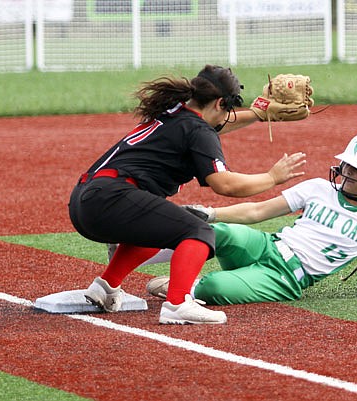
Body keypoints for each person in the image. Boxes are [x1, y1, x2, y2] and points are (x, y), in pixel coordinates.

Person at [68, 65, 307, 324]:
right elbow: (224, 185)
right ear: (219, 103)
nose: (227, 116)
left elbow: (209, 126)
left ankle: (105, 288)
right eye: (227, 109)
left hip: (86, 202)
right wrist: (272, 177)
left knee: (157, 229)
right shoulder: (198, 130)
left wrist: (258, 114)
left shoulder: (174, 112)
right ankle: (178, 303)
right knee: (198, 231)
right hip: (113, 200)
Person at [146, 132, 357, 305]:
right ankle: (143, 249)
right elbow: (260, 210)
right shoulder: (319, 187)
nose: (345, 171)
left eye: (356, 170)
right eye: (346, 165)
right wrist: (210, 212)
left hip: (287, 279)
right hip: (268, 246)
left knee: (214, 286)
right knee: (218, 232)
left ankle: (186, 287)